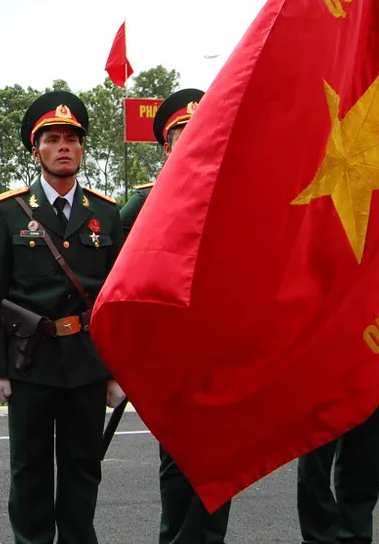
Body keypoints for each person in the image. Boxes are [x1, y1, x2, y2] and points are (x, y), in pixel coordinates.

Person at [0, 92, 124, 544]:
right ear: (35, 149)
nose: (64, 146)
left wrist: (116, 371)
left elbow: (115, 297)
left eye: (72, 139)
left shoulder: (105, 213)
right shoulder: (8, 211)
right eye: (53, 139)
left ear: (82, 149)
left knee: (84, 467)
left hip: (86, 362)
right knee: (30, 469)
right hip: (31, 361)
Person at [117, 89, 234, 544]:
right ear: (167, 146)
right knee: (178, 463)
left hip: (221, 355)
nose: (193, 138)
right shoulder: (143, 204)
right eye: (183, 133)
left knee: (220, 464)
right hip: (171, 359)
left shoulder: (235, 196)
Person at [296, 308, 379, 544]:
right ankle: (319, 536)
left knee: (365, 454)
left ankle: (356, 534)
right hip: (321, 349)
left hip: (373, 344)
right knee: (316, 452)